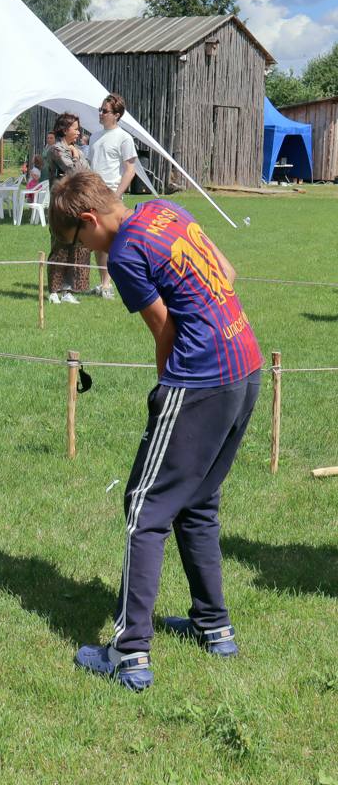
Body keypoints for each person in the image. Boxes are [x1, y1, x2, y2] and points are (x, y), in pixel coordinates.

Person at [49, 172, 261, 691]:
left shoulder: (122, 255)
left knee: (145, 508)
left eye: (79, 245)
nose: (85, 255)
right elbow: (227, 272)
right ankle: (215, 627)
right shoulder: (164, 210)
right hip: (246, 366)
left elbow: (164, 328)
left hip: (201, 381)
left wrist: (166, 389)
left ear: (89, 221)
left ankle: (129, 653)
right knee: (198, 502)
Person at [87, 93, 138, 301]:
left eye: (105, 111)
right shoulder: (94, 137)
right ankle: (103, 282)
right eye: (100, 109)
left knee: (111, 242)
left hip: (111, 196)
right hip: (93, 195)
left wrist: (116, 195)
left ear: (116, 115)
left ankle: (110, 284)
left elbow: (130, 170)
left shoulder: (124, 138)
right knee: (96, 242)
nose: (100, 113)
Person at [42, 113, 90, 303]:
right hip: (60, 204)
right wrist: (78, 159)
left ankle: (68, 290)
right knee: (60, 244)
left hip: (76, 203)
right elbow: (74, 171)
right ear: (64, 129)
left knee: (76, 244)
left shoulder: (76, 149)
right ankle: (54, 290)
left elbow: (88, 171)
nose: (78, 132)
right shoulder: (56, 149)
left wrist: (78, 156)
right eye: (75, 128)